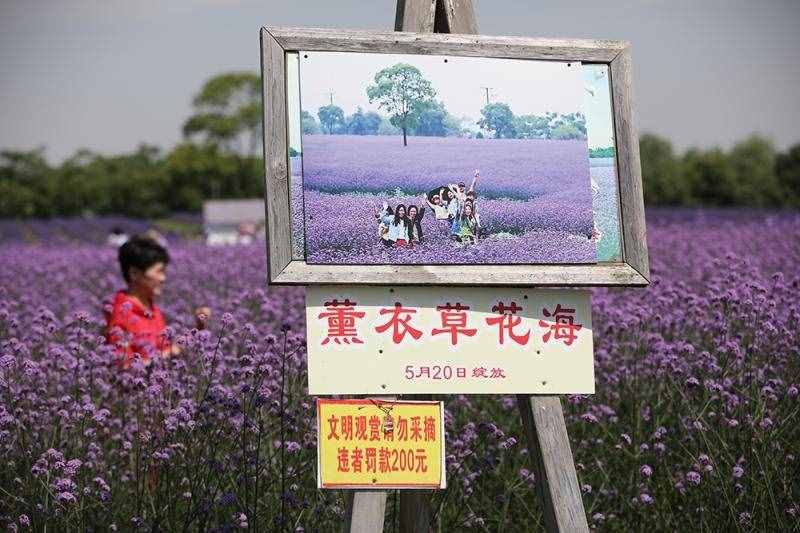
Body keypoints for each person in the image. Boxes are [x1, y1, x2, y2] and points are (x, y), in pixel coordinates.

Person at [105, 235, 211, 369]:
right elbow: (123, 369)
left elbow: (167, 351)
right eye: (159, 271)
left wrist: (198, 328)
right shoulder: (121, 315)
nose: (163, 278)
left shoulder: (152, 309)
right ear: (134, 273)